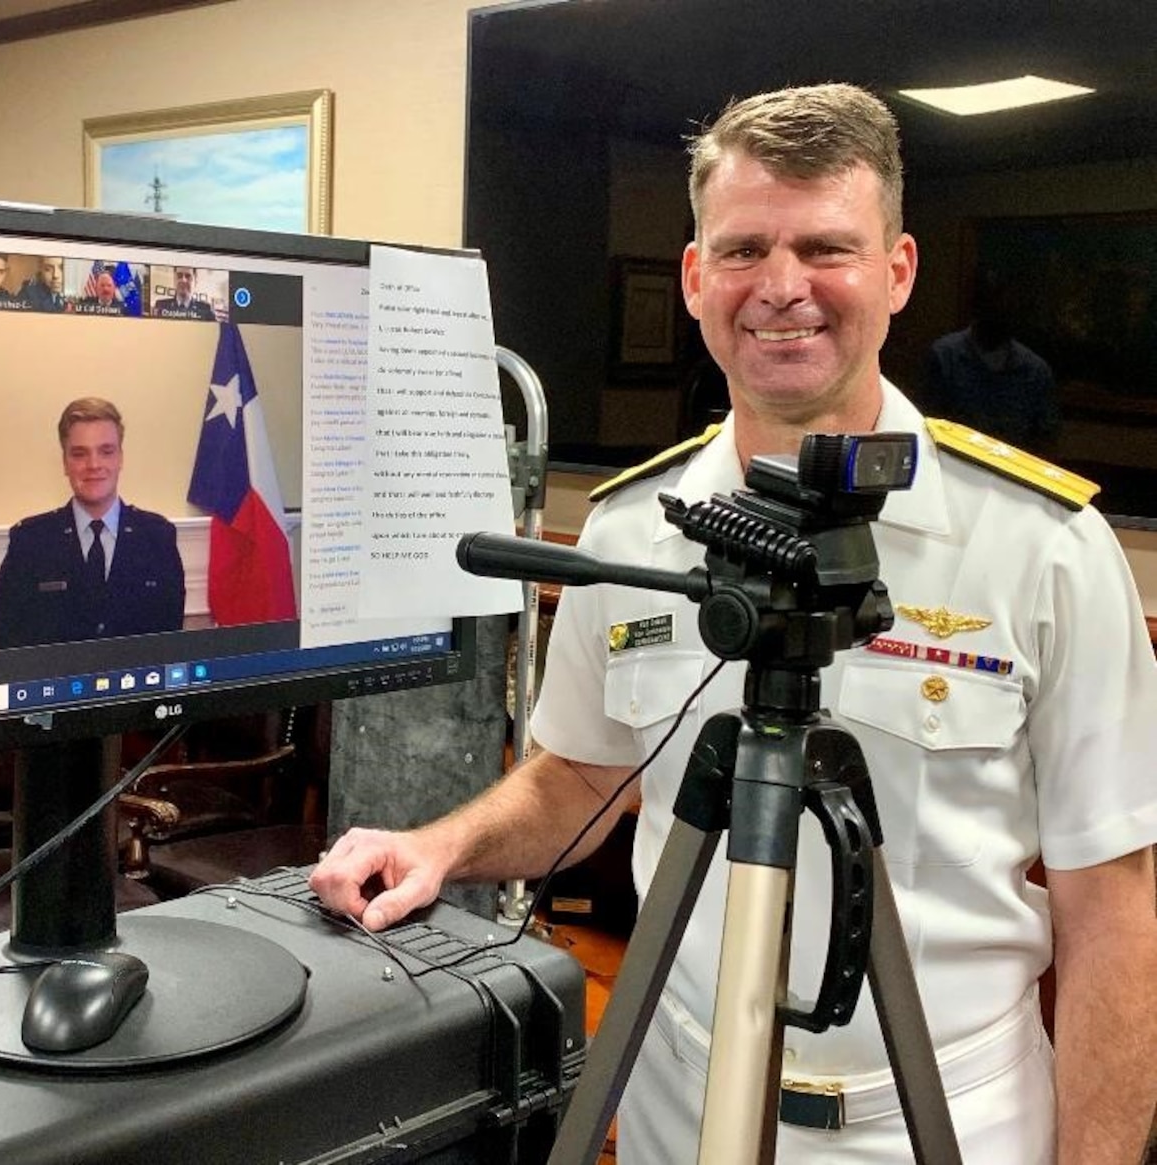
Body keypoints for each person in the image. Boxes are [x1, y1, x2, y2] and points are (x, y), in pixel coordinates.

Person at [311, 84, 1157, 1165]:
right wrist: (440, 845)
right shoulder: (631, 531)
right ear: (695, 276)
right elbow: (580, 779)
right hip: (674, 1098)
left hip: (941, 1122)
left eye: (825, 248)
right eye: (745, 247)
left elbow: (1111, 912)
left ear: (895, 273)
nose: (781, 288)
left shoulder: (1040, 546)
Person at [0, 397, 185, 649]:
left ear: (120, 459)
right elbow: (10, 644)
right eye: (79, 453)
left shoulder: (157, 537)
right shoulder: (30, 542)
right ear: (65, 463)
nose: (94, 465)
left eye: (106, 451)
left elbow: (169, 643)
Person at [925, 267, 1060, 454]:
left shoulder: (1035, 372)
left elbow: (1045, 443)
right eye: (993, 302)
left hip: (1013, 476)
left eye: (1007, 304)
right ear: (977, 307)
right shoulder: (945, 357)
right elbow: (928, 429)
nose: (1000, 310)